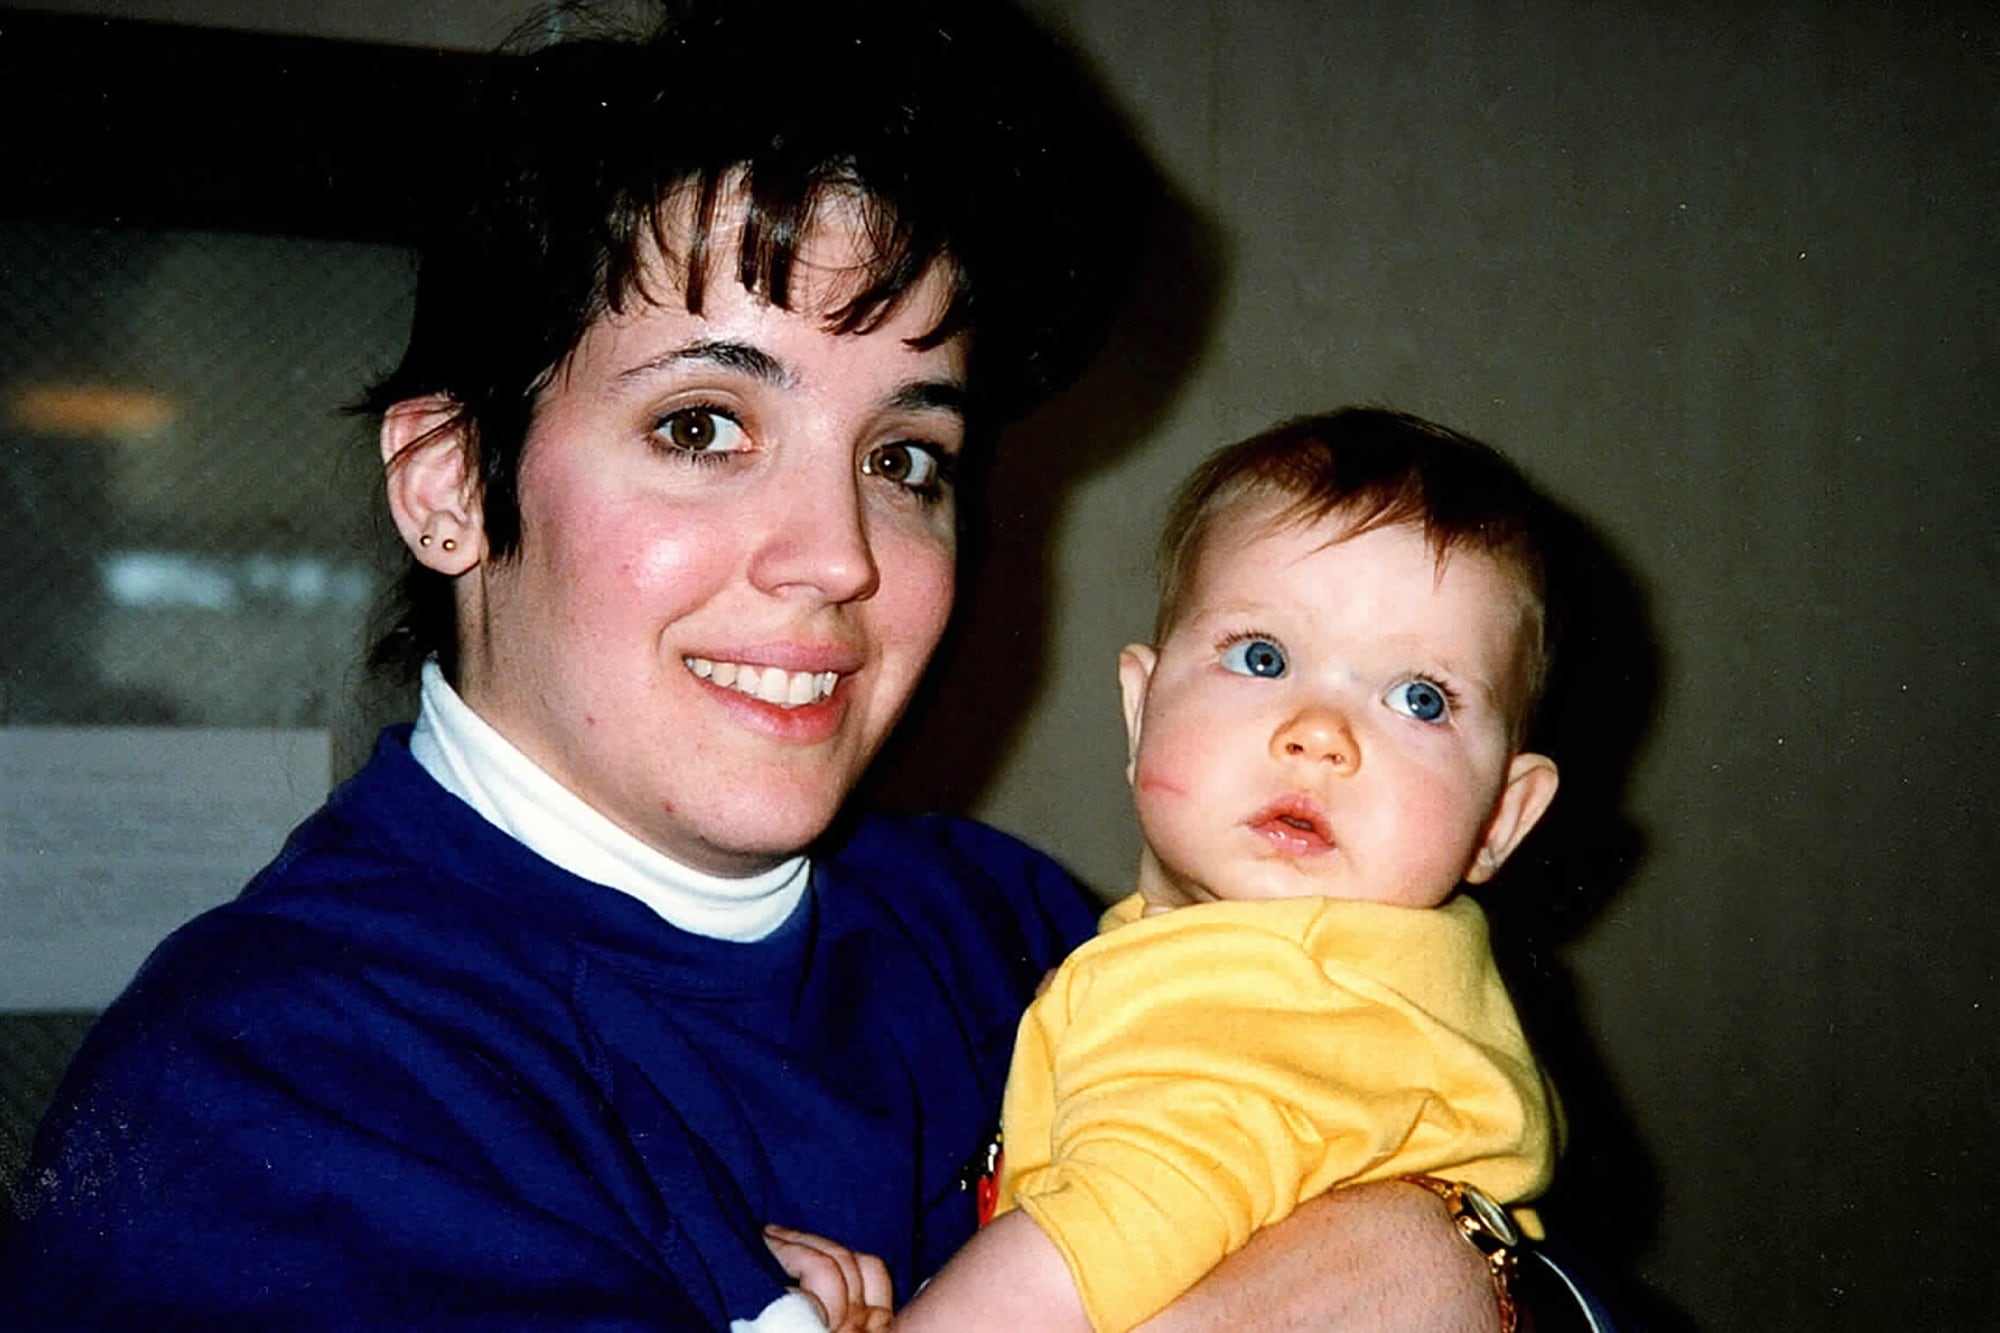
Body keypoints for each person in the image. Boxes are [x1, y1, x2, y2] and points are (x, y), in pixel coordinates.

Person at [0, 4, 1547, 1330]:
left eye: (907, 456)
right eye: (702, 427)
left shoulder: (1000, 929)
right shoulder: (269, 1104)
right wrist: (1398, 1267)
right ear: (452, 483)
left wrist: (1458, 1258)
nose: (838, 556)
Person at [888, 409, 1564, 1332]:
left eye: (1419, 698)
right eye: (1262, 656)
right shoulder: (1359, 991)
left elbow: (1090, 1247)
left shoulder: (1285, 1005)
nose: (1320, 735)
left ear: (1501, 818)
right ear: (1140, 711)